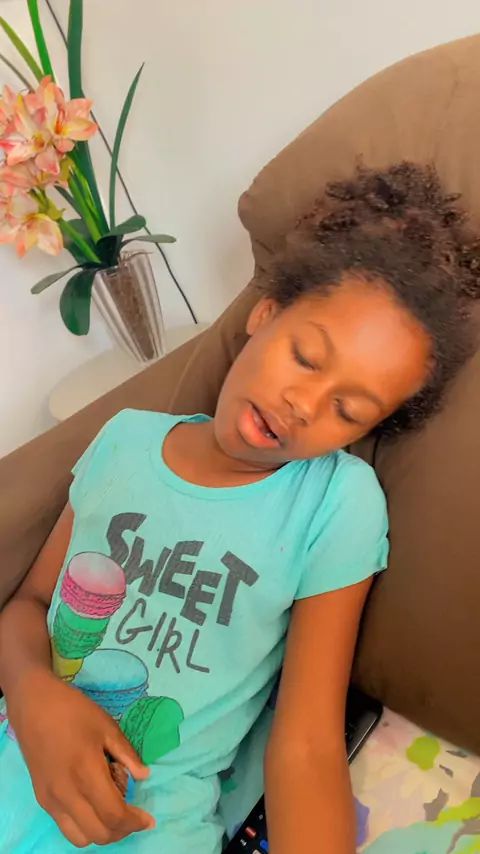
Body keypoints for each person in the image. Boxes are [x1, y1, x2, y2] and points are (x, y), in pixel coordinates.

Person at [0, 162, 478, 854]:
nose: (304, 405)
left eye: (348, 411)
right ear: (266, 314)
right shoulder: (124, 440)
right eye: (306, 357)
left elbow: (307, 745)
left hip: (148, 832)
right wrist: (32, 693)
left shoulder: (336, 504)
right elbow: (31, 603)